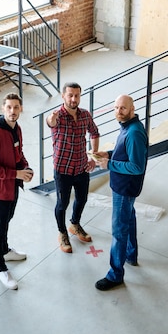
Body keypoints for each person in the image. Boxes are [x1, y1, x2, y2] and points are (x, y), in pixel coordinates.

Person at [93, 94, 148, 291]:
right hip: (124, 187)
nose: (119, 111)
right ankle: (131, 255)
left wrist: (109, 163)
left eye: (123, 108)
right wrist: (108, 154)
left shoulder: (133, 133)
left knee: (118, 231)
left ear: (132, 109)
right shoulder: (127, 127)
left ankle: (115, 274)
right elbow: (123, 152)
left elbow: (136, 167)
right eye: (116, 108)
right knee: (129, 220)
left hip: (125, 189)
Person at [0, 92, 34, 290]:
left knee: (7, 219)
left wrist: (26, 168)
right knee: (0, 226)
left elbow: (18, 153)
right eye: (9, 107)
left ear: (21, 109)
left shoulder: (16, 128)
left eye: (16, 107)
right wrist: (16, 174)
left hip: (12, 187)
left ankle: (5, 250)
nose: (13, 111)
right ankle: (1, 268)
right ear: (3, 108)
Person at [47, 82, 100, 253]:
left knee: (82, 199)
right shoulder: (58, 116)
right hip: (63, 169)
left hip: (81, 167)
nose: (73, 99)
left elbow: (94, 132)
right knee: (62, 204)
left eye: (77, 95)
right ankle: (62, 233)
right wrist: (51, 119)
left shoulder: (85, 115)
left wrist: (94, 155)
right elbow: (50, 122)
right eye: (70, 95)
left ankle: (74, 225)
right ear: (63, 96)